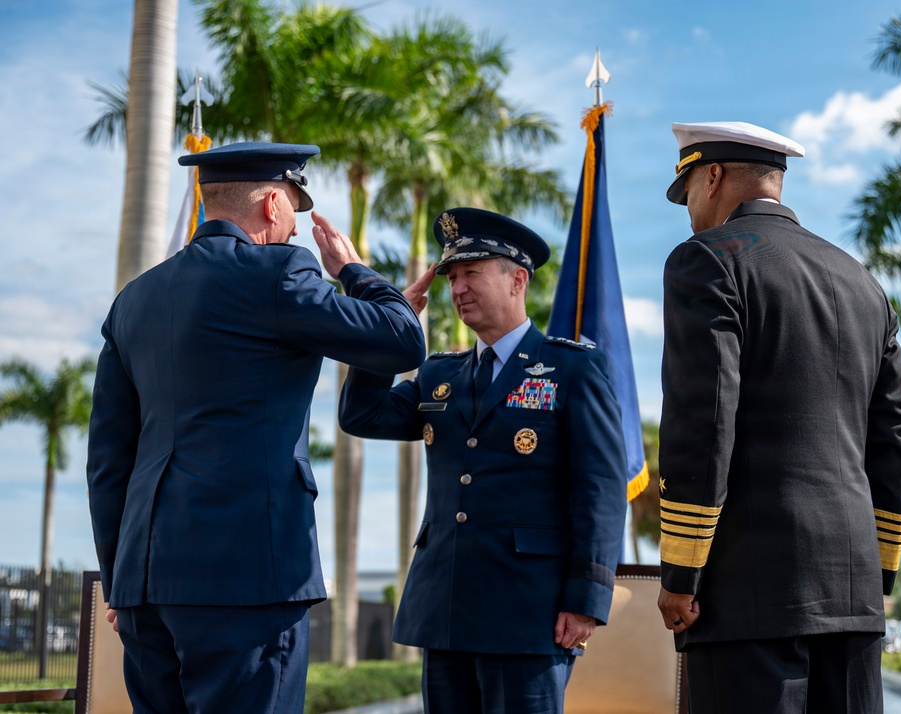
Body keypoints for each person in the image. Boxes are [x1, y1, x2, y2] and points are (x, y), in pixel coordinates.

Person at [86, 141, 427, 714]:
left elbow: (108, 460)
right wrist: (354, 272)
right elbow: (402, 340)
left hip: (146, 585)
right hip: (247, 581)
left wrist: (122, 580)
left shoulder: (134, 300)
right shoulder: (279, 273)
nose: (295, 229)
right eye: (294, 208)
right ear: (272, 205)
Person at [657, 122, 901, 713]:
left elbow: (705, 421)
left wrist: (681, 572)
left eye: (689, 192)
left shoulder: (707, 261)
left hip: (746, 596)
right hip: (853, 600)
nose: (690, 212)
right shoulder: (862, 280)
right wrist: (873, 571)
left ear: (714, 176)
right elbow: (900, 436)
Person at [338, 207, 629, 714]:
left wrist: (586, 601)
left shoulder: (572, 368)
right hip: (446, 609)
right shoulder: (439, 374)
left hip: (529, 611)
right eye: (452, 276)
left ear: (517, 279)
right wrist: (387, 333)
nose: (457, 289)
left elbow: (599, 490)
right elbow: (362, 416)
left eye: (472, 273)